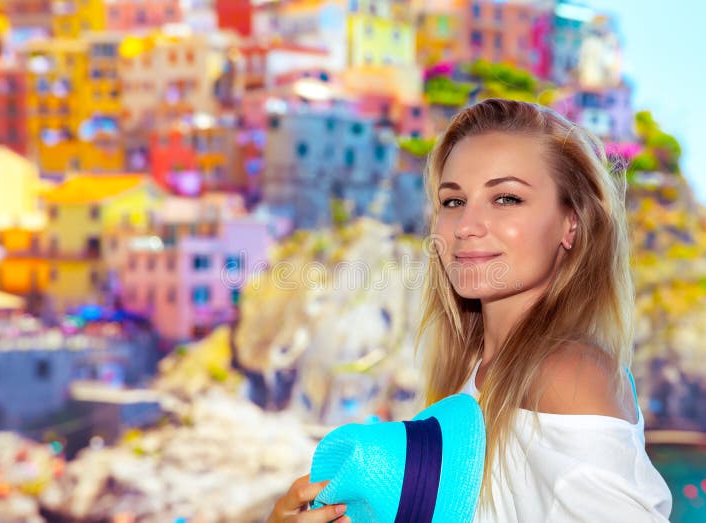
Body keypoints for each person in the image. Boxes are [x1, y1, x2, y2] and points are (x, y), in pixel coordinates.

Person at [266, 98, 673, 522]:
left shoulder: (566, 374)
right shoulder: (478, 374)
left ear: (571, 222)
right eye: (453, 201)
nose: (466, 225)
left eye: (506, 198)